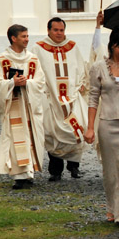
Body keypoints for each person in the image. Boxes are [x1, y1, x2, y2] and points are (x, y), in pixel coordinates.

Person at [84, 26, 119, 228]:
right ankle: (113, 207)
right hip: (107, 124)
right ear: (112, 46)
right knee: (111, 171)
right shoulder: (99, 67)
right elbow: (93, 98)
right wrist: (90, 127)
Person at [32, 17, 88, 182]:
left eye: (61, 30)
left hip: (72, 96)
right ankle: (55, 170)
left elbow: (80, 67)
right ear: (48, 30)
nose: (59, 33)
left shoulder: (72, 47)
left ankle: (74, 166)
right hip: (51, 97)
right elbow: (35, 71)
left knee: (77, 129)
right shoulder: (38, 48)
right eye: (55, 30)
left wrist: (81, 83)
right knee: (52, 132)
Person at [0, 24, 45, 190]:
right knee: (15, 138)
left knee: (31, 137)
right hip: (13, 105)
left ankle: (29, 172)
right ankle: (19, 176)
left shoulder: (33, 59)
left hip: (29, 105)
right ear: (13, 38)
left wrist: (27, 83)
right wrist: (12, 83)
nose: (27, 39)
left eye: (27, 36)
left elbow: (41, 82)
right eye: (23, 36)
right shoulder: (2, 59)